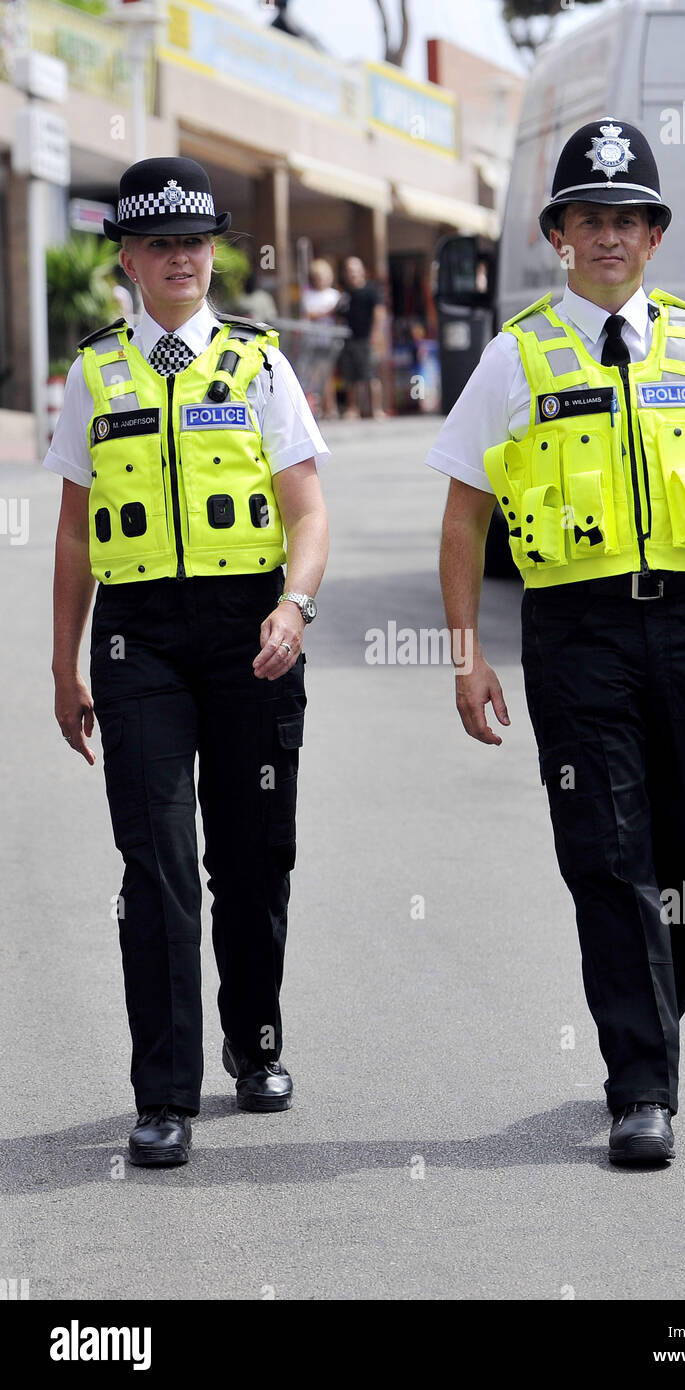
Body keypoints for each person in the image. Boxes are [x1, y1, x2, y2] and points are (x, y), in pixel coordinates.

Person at [426, 119, 685, 1166]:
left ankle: (649, 1033)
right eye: (586, 218)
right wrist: (465, 650)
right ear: (558, 234)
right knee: (608, 857)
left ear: (653, 234)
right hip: (576, 634)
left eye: (624, 218)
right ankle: (641, 1085)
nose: (606, 235)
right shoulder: (517, 358)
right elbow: (463, 514)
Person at [46, 156, 329, 1167]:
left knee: (251, 855)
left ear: (214, 251)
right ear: (126, 256)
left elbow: (306, 508)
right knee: (155, 861)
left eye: (195, 240)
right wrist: (61, 661)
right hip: (138, 639)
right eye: (159, 242)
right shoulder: (94, 371)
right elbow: (77, 533)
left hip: (251, 629)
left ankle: (255, 1047)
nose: (180, 257)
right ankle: (163, 1091)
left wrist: (294, 606)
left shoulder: (259, 366)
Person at [338, 256, 387, 419]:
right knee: (351, 377)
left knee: (371, 375)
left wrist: (376, 333)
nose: (352, 273)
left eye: (355, 269)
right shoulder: (345, 294)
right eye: (349, 270)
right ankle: (353, 409)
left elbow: (379, 312)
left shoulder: (371, 290)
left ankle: (377, 409)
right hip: (349, 339)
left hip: (367, 339)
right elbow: (339, 314)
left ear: (362, 271)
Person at [301, 259, 341, 419]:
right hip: (313, 341)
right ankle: (319, 408)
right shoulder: (308, 294)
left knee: (328, 376)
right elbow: (309, 314)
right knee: (314, 376)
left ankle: (331, 407)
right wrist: (327, 312)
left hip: (330, 341)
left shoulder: (334, 294)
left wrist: (323, 313)